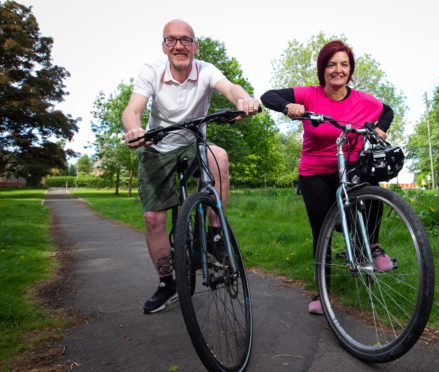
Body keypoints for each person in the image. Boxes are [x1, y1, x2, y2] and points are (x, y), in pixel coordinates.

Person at [123, 19, 260, 314]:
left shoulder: (206, 70)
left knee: (219, 157)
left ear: (195, 46)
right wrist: (134, 129)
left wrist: (244, 99)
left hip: (193, 142)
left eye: (186, 40)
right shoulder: (152, 72)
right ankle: (167, 284)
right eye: (171, 40)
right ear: (164, 47)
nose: (179, 45)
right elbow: (133, 109)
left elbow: (230, 88)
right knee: (153, 219)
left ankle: (213, 236)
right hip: (157, 146)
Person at [260, 40, 394, 315]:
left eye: (344, 64)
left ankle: (371, 245)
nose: (338, 70)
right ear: (323, 69)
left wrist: (380, 130)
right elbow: (267, 96)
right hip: (316, 171)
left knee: (372, 191)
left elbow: (387, 111)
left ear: (350, 69)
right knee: (321, 232)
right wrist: (288, 107)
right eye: (332, 64)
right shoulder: (309, 94)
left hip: (351, 166)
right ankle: (323, 292)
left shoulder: (363, 101)